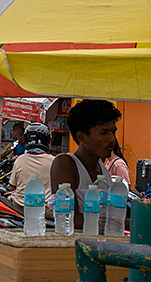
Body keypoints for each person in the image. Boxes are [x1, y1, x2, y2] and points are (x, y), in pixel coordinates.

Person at [49, 99, 121, 231]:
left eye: (113, 132)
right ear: (82, 137)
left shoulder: (102, 169)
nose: (112, 139)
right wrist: (118, 223)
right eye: (104, 133)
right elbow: (72, 220)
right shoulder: (65, 164)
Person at [7, 122, 55, 212]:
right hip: (46, 210)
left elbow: (12, 187)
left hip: (20, 206)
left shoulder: (20, 159)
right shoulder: (54, 161)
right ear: (47, 141)